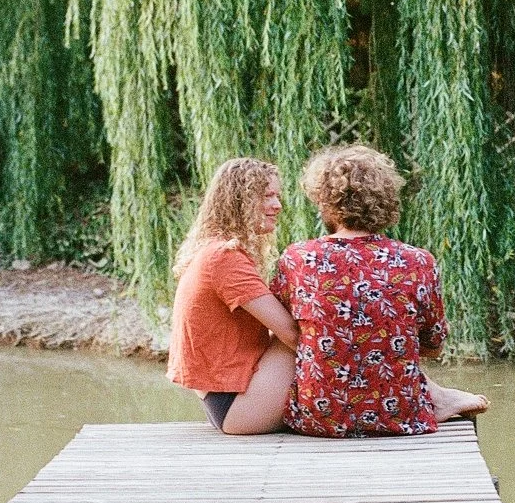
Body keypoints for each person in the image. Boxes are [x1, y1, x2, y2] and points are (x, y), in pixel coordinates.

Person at [271, 143, 488, 437]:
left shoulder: (298, 259)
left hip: (319, 417)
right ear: (386, 199)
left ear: (324, 201)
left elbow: (283, 330)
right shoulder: (418, 261)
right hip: (400, 414)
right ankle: (440, 398)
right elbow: (434, 346)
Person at [168, 157, 298, 435]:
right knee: (307, 334)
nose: (277, 205)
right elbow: (291, 334)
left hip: (227, 401)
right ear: (240, 202)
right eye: (267, 196)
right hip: (237, 407)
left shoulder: (214, 251)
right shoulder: (224, 258)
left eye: (277, 196)